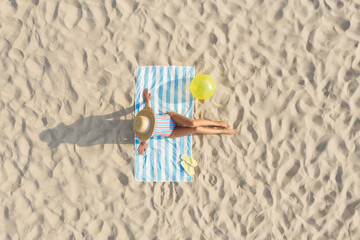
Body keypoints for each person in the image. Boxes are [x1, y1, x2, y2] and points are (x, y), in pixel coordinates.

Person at [134, 89, 238, 155]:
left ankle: (217, 123)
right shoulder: (145, 135)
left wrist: (147, 100)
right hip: (171, 133)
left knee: (193, 123)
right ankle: (222, 132)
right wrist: (143, 145)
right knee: (196, 129)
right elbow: (144, 140)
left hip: (171, 118)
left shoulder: (146, 116)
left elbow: (148, 108)